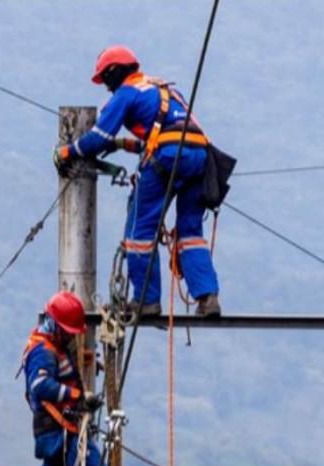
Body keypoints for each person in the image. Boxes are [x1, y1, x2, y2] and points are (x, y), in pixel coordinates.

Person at [53, 45, 221, 317]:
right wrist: (123, 144)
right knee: (190, 234)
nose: (107, 88)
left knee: (140, 232)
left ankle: (147, 300)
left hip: (166, 160)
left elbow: (97, 139)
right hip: (201, 158)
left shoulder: (126, 93)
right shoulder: (164, 89)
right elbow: (166, 134)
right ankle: (208, 298)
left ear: (113, 72)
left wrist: (67, 152)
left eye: (105, 80)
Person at [22, 291, 114, 466]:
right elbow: (40, 385)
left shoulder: (53, 347)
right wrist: (78, 396)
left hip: (50, 438)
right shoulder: (43, 351)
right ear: (55, 324)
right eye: (68, 331)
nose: (72, 336)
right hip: (62, 434)